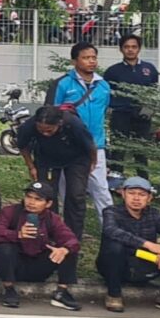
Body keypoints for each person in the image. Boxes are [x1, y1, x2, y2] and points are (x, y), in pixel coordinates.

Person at [95, 175, 160, 313]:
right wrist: (148, 245)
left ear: (149, 198)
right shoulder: (111, 211)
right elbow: (111, 230)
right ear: (123, 193)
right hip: (119, 265)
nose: (136, 198)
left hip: (147, 264)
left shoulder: (154, 214)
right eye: (131, 193)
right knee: (114, 246)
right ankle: (113, 295)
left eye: (142, 194)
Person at [49, 41, 112, 234]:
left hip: (96, 146)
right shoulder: (62, 84)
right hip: (68, 147)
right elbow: (51, 114)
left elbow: (105, 111)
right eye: (86, 57)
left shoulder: (103, 86)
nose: (91, 61)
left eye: (93, 57)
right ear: (75, 60)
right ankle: (67, 233)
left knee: (102, 191)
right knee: (67, 193)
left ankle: (111, 232)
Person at [0, 183, 82, 311]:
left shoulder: (52, 218)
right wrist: (17, 234)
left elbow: (71, 239)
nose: (31, 202)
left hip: (39, 263)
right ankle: (9, 289)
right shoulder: (10, 211)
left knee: (68, 250)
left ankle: (62, 292)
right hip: (15, 263)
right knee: (4, 248)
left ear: (48, 203)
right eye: (29, 197)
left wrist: (64, 249)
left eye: (38, 199)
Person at [18, 106, 99, 230]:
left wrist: (93, 162)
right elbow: (23, 146)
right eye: (41, 130)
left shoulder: (73, 124)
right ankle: (49, 230)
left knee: (75, 194)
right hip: (46, 159)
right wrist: (31, 166)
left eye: (49, 130)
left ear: (59, 123)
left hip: (77, 159)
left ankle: (72, 234)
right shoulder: (28, 126)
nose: (45, 133)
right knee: (45, 194)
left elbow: (90, 145)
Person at [102, 33, 160, 166]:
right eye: (126, 47)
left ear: (139, 48)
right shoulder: (112, 71)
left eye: (134, 47)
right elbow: (106, 93)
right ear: (121, 49)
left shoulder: (149, 69)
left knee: (141, 151)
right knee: (118, 151)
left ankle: (143, 182)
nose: (130, 50)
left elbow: (153, 92)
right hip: (120, 116)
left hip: (142, 116)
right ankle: (115, 181)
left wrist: (148, 110)